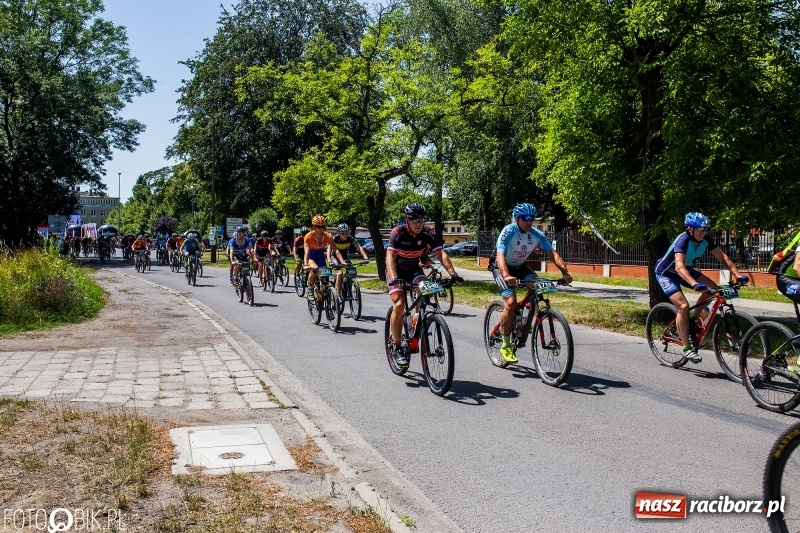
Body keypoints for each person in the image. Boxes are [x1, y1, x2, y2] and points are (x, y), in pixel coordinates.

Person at [655, 212, 749, 363]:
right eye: (700, 229)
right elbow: (679, 267)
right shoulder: (683, 240)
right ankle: (686, 349)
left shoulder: (706, 239)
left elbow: (723, 257)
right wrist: (694, 284)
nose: (703, 232)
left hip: (687, 270)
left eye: (705, 229)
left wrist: (738, 276)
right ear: (690, 229)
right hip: (667, 273)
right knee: (683, 306)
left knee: (713, 288)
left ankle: (692, 319)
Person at [490, 203, 573, 365]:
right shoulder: (509, 231)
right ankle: (506, 345)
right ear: (517, 219)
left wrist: (565, 273)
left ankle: (522, 321)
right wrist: (506, 275)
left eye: (532, 219)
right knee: (511, 302)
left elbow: (553, 254)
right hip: (500, 267)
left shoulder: (536, 234)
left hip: (519, 266)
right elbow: (500, 255)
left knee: (537, 289)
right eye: (526, 219)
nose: (530, 222)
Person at [385, 203, 463, 367]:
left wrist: (453, 274)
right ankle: (397, 347)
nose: (419, 223)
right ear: (407, 220)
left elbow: (441, 253)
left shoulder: (427, 233)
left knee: (425, 290)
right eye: (414, 220)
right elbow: (390, 257)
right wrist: (394, 277)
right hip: (396, 271)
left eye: (421, 219)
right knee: (399, 304)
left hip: (413, 269)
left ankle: (416, 320)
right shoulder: (398, 232)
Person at [304, 215, 347, 301]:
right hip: (311, 258)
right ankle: (310, 289)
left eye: (323, 226)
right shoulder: (308, 236)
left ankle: (329, 308)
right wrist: (305, 264)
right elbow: (307, 251)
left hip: (321, 260)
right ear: (314, 227)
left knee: (326, 285)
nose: (321, 228)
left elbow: (336, 250)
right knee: (315, 269)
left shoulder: (328, 236)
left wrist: (343, 262)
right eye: (318, 226)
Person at [332, 223, 369, 295]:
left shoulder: (350, 238)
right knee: (340, 273)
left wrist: (365, 258)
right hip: (335, 257)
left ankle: (349, 283)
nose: (345, 235)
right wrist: (330, 261)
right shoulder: (335, 238)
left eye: (346, 232)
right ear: (339, 233)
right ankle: (338, 294)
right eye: (343, 233)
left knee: (351, 271)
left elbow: (359, 247)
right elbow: (329, 250)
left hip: (345, 256)